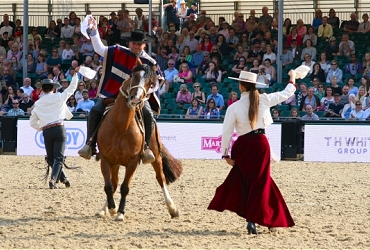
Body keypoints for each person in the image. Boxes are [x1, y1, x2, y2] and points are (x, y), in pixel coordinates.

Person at [208, 70, 296, 234]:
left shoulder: (234, 107)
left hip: (243, 147)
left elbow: (227, 132)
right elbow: (286, 93)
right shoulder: (264, 99)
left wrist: (225, 154)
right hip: (261, 145)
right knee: (261, 182)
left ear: (241, 86)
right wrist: (292, 78)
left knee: (245, 183)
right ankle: (258, 219)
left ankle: (255, 219)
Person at [78, 17, 161, 164]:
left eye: (139, 44)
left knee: (148, 114)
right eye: (134, 43)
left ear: (144, 45)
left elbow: (157, 84)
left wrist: (142, 93)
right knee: (95, 111)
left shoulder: (150, 63)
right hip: (111, 95)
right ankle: (90, 144)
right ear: (129, 43)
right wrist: (94, 31)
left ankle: (146, 148)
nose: (136, 46)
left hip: (138, 99)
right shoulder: (117, 51)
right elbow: (99, 49)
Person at [30, 68, 79, 189]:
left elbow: (32, 122)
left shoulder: (38, 103)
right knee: (58, 157)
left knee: (52, 158)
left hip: (47, 130)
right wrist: (75, 75)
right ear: (53, 88)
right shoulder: (59, 96)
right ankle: (54, 180)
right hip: (59, 128)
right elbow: (72, 88)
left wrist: (42, 128)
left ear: (42, 89)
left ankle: (63, 178)